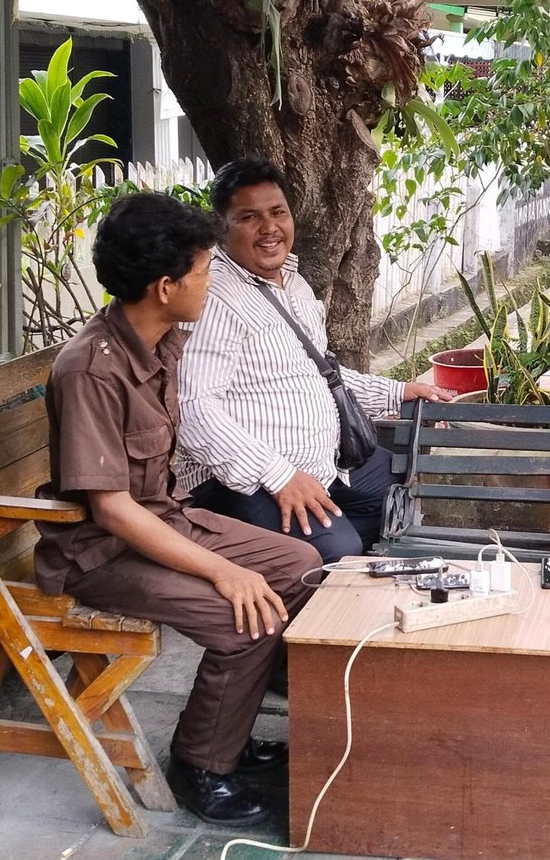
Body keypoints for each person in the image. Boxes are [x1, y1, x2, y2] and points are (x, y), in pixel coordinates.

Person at [36, 192, 323, 827]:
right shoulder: (91, 370)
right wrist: (223, 570)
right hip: (100, 554)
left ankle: (231, 729)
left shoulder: (161, 340)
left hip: (162, 520)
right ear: (165, 287)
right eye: (203, 271)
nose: (211, 283)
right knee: (243, 618)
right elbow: (113, 511)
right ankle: (200, 765)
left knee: (301, 565)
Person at [176, 158, 454, 566]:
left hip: (323, 463)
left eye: (278, 212)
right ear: (222, 227)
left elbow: (319, 373)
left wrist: (398, 392)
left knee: (399, 488)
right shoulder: (214, 298)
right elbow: (191, 409)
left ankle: (335, 566)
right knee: (335, 549)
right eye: (249, 217)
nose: (269, 228)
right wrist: (280, 476)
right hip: (243, 481)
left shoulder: (296, 285)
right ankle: (293, 574)